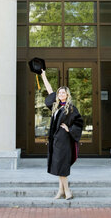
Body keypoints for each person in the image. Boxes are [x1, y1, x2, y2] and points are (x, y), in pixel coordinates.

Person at [40, 69, 84, 200]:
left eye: (63, 92)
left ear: (67, 95)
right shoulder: (56, 106)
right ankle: (61, 190)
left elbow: (79, 122)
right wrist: (43, 76)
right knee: (60, 165)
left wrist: (69, 129)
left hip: (65, 141)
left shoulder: (70, 108)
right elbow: (49, 90)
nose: (60, 94)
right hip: (56, 141)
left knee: (62, 165)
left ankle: (67, 191)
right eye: (59, 92)